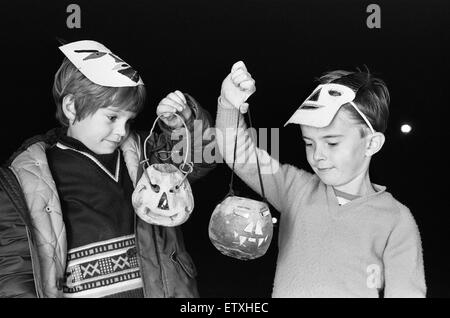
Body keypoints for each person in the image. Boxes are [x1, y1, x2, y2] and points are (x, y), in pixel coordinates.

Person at [0, 40, 215, 298]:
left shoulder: (147, 154)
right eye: (112, 117)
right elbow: (15, 271)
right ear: (71, 107)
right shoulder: (24, 179)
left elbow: (203, 158)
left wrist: (183, 123)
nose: (121, 131)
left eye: (129, 119)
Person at [214, 61, 426, 297]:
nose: (317, 155)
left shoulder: (396, 220)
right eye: (308, 143)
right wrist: (229, 105)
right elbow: (239, 155)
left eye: (332, 142)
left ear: (371, 144)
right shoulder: (296, 190)